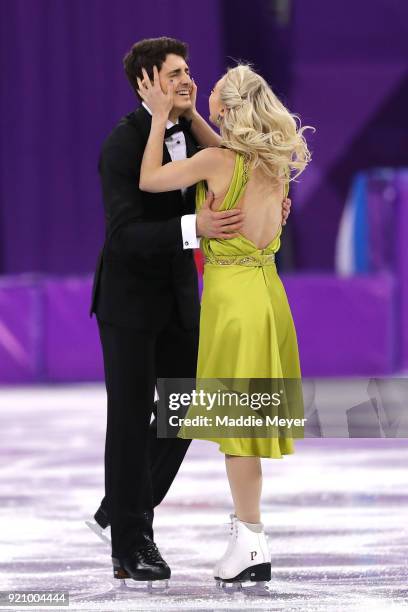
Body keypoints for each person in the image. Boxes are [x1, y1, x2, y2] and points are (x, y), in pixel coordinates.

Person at [89, 37, 292, 584]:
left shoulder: (204, 144)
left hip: (186, 302)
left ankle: (125, 505)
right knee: (134, 419)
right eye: (173, 74)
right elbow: (125, 235)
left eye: (189, 72)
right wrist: (194, 226)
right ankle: (131, 542)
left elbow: (217, 157)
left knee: (184, 415)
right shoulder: (123, 143)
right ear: (145, 82)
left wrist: (188, 114)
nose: (186, 81)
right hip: (130, 304)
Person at [137, 62, 313, 584]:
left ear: (227, 110)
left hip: (233, 301)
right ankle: (249, 537)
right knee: (249, 427)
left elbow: (149, 180)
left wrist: (158, 118)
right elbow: (228, 152)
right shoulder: (273, 162)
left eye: (212, 101)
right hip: (267, 295)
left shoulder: (216, 162)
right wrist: (190, 118)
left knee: (239, 432)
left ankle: (251, 541)